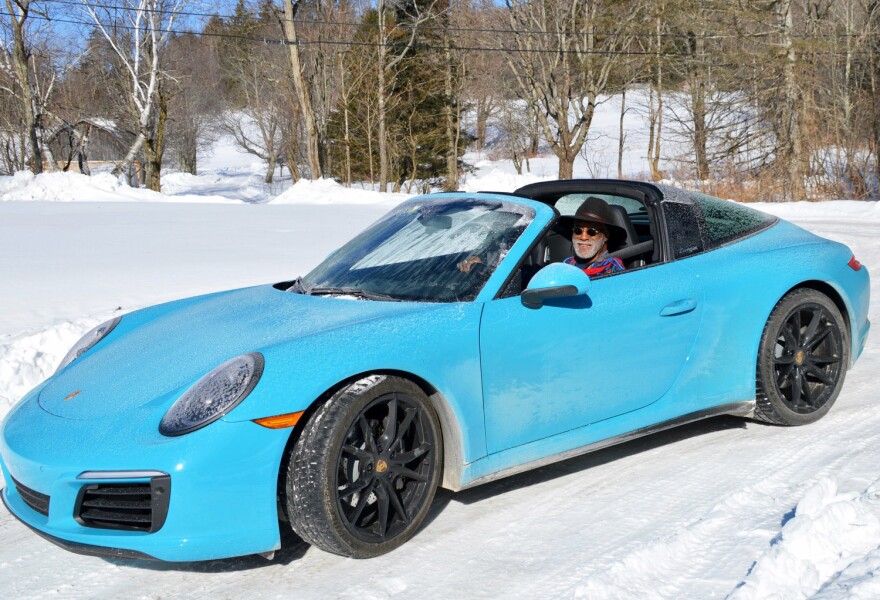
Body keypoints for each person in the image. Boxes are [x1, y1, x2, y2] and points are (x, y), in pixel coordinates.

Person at [561, 197, 626, 277]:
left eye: (592, 232)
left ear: (606, 236)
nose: (583, 237)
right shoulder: (567, 264)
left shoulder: (613, 269)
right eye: (578, 230)